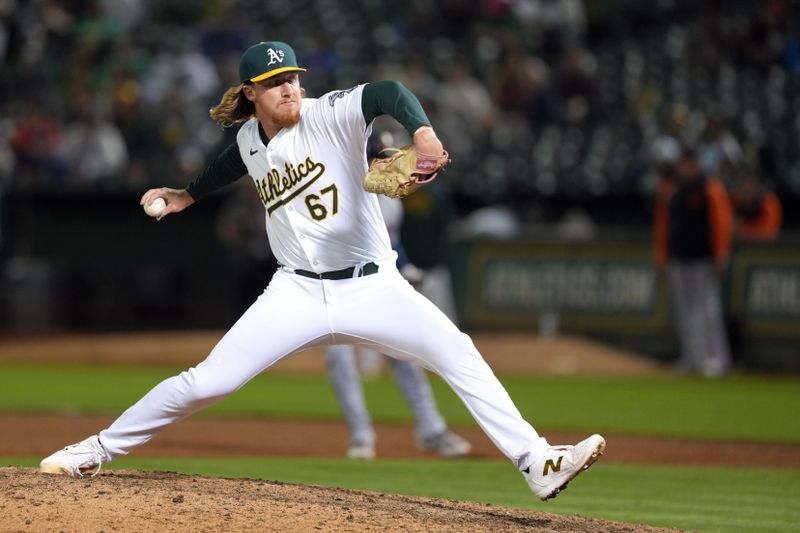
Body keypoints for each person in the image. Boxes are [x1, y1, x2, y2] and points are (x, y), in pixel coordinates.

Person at [39, 41, 604, 502]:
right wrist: (188, 194)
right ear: (250, 93)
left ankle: (537, 461)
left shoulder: (329, 113)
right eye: (275, 81)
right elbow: (233, 160)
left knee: (457, 350)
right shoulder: (248, 138)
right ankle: (94, 450)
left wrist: (423, 133)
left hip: (373, 285)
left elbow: (387, 92)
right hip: (296, 292)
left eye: (292, 77)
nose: (289, 87)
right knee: (207, 382)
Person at [327, 195, 470, 460]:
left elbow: (390, 244)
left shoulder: (391, 203)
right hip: (335, 288)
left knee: (405, 356)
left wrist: (407, 268)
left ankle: (431, 431)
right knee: (339, 359)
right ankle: (360, 436)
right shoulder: (335, 190)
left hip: (375, 290)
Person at [653, 146, 734, 377]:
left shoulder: (709, 188)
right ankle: (692, 357)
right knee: (684, 311)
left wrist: (720, 254)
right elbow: (663, 226)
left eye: (690, 163)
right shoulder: (672, 190)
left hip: (704, 258)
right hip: (679, 258)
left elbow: (721, 223)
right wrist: (661, 254)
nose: (686, 167)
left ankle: (716, 358)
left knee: (708, 309)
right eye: (683, 163)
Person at [729, 169, 782, 242]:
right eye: (742, 185)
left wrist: (741, 232)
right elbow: (726, 232)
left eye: (750, 186)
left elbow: (768, 235)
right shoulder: (732, 201)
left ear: (757, 187)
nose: (746, 190)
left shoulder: (769, 203)